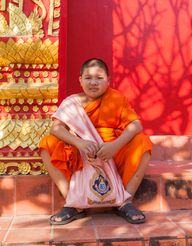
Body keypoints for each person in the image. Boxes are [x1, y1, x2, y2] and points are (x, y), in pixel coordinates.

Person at [39, 58, 152, 225]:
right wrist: (80, 143)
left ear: (108, 81)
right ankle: (73, 203)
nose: (93, 82)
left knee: (142, 143)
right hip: (82, 153)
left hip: (112, 152)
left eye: (99, 78)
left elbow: (136, 125)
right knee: (47, 144)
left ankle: (125, 201)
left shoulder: (117, 99)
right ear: (80, 80)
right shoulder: (72, 102)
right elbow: (56, 128)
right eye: (88, 78)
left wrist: (115, 146)